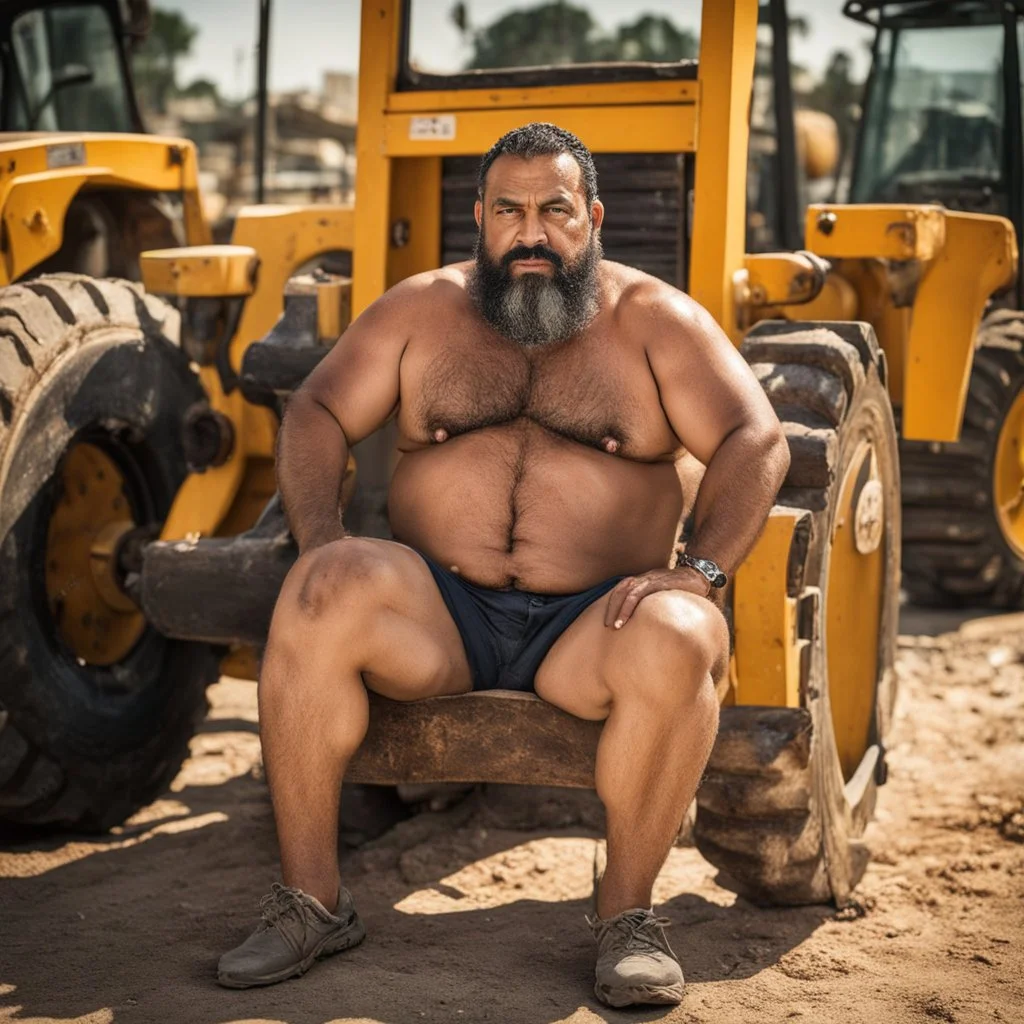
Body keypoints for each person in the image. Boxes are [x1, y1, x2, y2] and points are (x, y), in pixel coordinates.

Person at [217, 122, 789, 1008]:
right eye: (510, 210)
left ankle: (626, 916)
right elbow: (318, 410)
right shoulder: (420, 312)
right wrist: (322, 536)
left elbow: (756, 437)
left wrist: (702, 573)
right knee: (319, 587)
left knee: (683, 634)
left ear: (591, 217)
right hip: (440, 612)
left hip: (593, 625)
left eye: (555, 210)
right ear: (479, 219)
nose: (532, 232)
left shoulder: (654, 323)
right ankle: (312, 902)